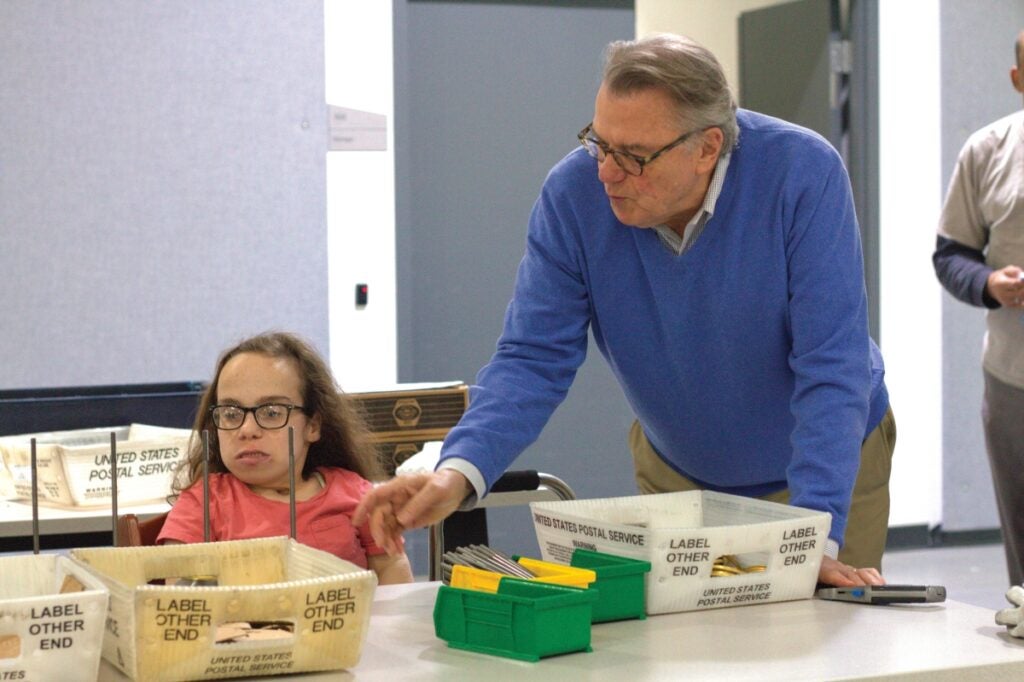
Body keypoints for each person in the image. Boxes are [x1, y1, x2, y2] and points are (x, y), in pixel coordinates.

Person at [356, 33, 893, 587]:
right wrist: (457, 473)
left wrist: (813, 540)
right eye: (598, 142)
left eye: (633, 157)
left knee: (814, 647)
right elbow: (532, 359)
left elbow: (831, 365)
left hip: (827, 461)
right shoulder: (573, 194)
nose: (607, 173)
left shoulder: (802, 173)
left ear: (707, 148)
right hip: (679, 468)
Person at [158, 332, 413, 585]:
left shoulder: (355, 494)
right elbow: (181, 594)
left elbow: (392, 566)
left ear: (312, 426)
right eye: (231, 413)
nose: (247, 430)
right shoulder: (203, 503)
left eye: (271, 412)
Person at [933, 31, 1024, 587]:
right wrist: (990, 283)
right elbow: (951, 255)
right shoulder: (988, 150)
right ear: (1018, 79)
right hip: (1014, 379)